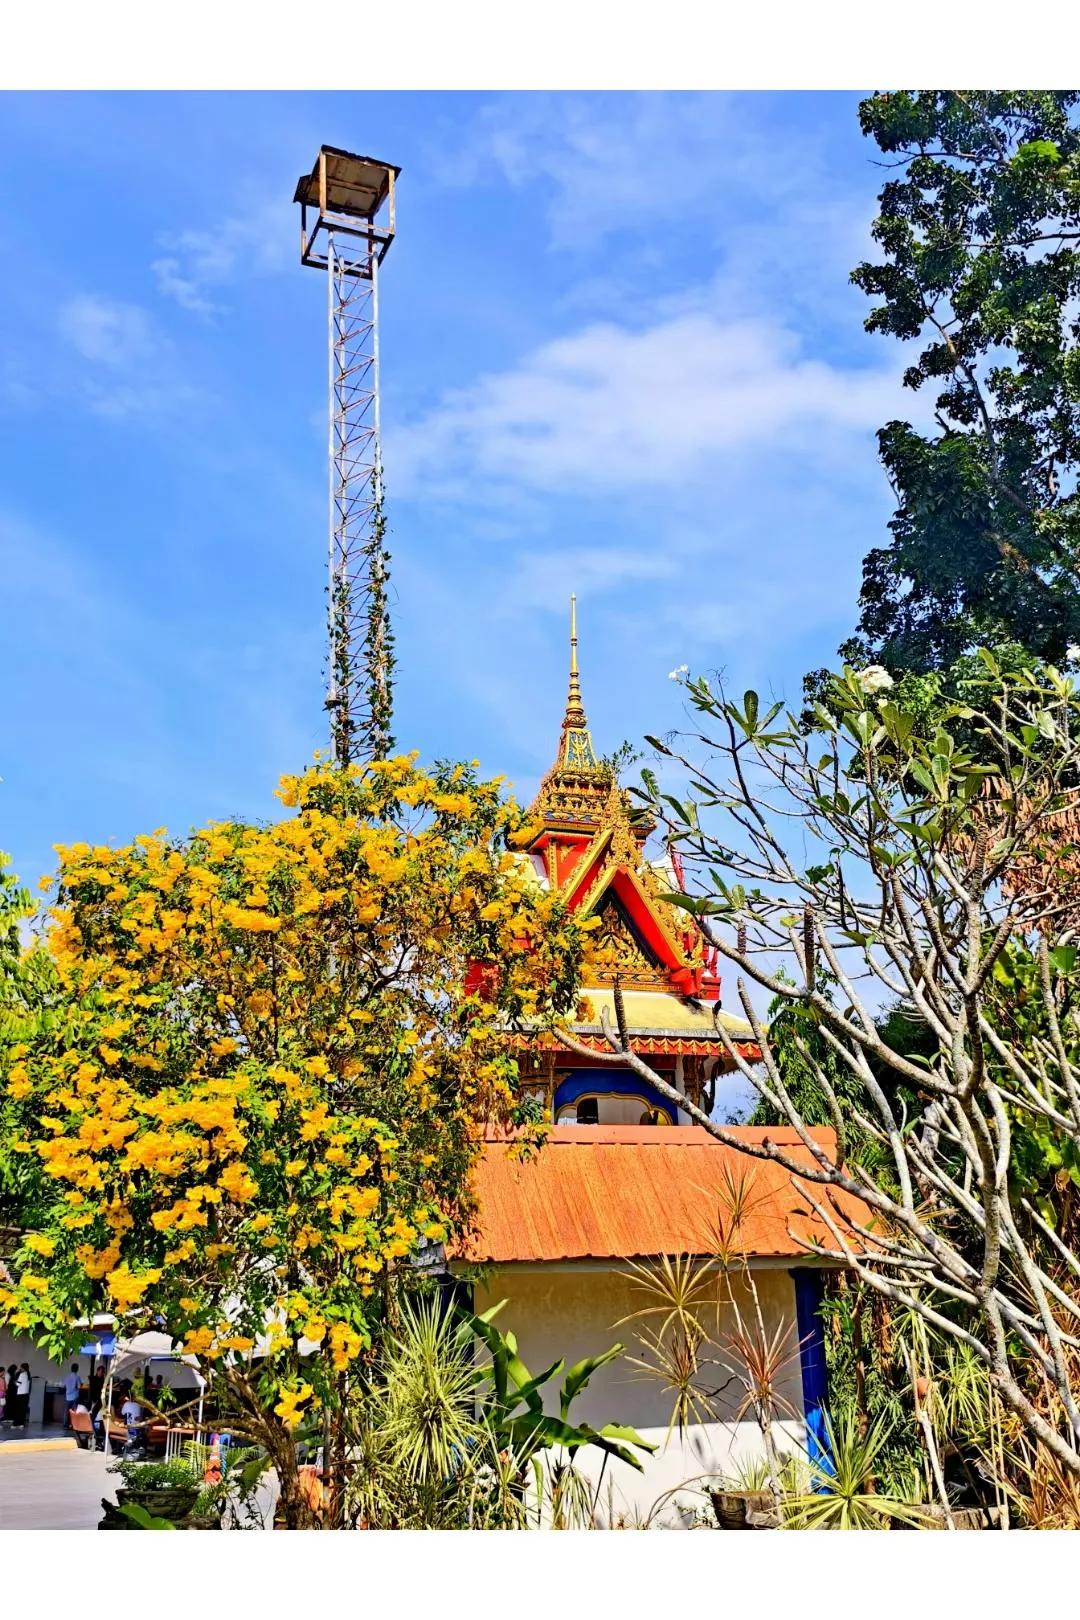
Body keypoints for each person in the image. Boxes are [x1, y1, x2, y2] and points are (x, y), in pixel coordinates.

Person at [12, 1363, 31, 1428]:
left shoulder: (22, 1374)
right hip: (26, 1395)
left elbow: (18, 1384)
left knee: (18, 1410)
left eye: (21, 1367)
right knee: (23, 1410)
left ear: (23, 1368)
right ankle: (21, 1424)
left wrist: (14, 1381)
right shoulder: (28, 1374)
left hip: (20, 1394)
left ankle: (16, 1424)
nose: (20, 1369)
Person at [64, 1363, 81, 1429]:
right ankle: (72, 1425)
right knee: (73, 1411)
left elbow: (64, 1386)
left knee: (66, 1412)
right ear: (77, 1369)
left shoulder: (67, 1377)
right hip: (75, 1396)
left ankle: (65, 1425)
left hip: (67, 1396)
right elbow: (79, 1387)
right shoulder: (77, 1377)